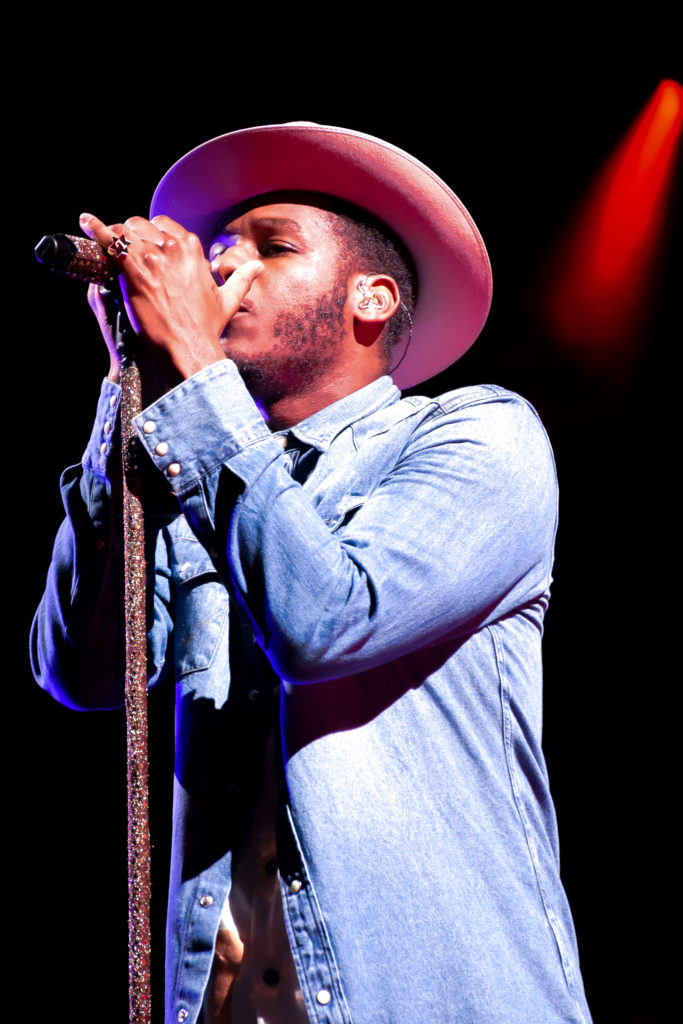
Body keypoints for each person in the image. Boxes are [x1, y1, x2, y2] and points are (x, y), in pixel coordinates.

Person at [31, 123, 592, 1024]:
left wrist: (200, 375)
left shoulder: (477, 436)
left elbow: (328, 620)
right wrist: (128, 386)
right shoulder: (195, 476)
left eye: (272, 248)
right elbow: (84, 676)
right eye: (214, 256)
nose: (222, 273)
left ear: (370, 299)